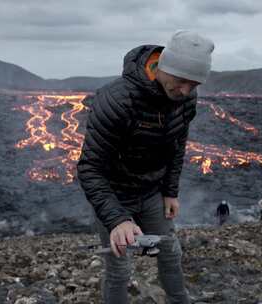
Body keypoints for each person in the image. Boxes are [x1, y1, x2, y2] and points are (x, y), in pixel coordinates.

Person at [77, 30, 214, 304]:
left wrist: (170, 191)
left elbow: (178, 143)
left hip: (151, 193)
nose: (186, 91)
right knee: (119, 269)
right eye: (181, 81)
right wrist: (117, 220)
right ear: (163, 67)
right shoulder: (116, 100)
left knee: (170, 252)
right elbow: (89, 167)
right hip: (114, 196)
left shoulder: (185, 98)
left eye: (195, 84)